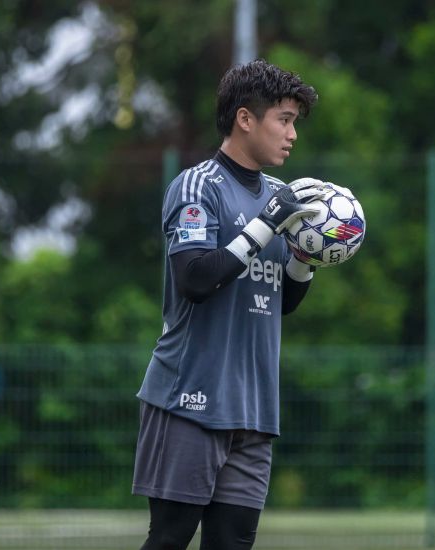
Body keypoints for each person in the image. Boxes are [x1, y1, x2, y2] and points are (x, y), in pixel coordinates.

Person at [132, 59, 325, 550]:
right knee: (170, 539)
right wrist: (266, 225)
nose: (292, 134)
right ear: (245, 119)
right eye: (283, 119)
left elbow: (280, 301)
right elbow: (195, 278)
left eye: (295, 122)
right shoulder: (199, 186)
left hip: (254, 409)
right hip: (190, 400)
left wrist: (306, 256)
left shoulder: (283, 196)